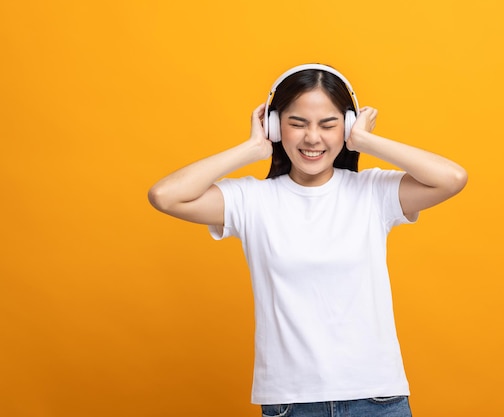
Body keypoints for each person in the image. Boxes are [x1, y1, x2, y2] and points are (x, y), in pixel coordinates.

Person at [148, 64, 467, 417]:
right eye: (297, 123)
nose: (312, 138)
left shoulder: (373, 192)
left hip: (377, 398)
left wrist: (365, 141)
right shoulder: (252, 200)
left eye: (328, 125)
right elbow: (165, 196)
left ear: (346, 126)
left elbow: (452, 178)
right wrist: (252, 149)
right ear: (274, 125)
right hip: (291, 403)